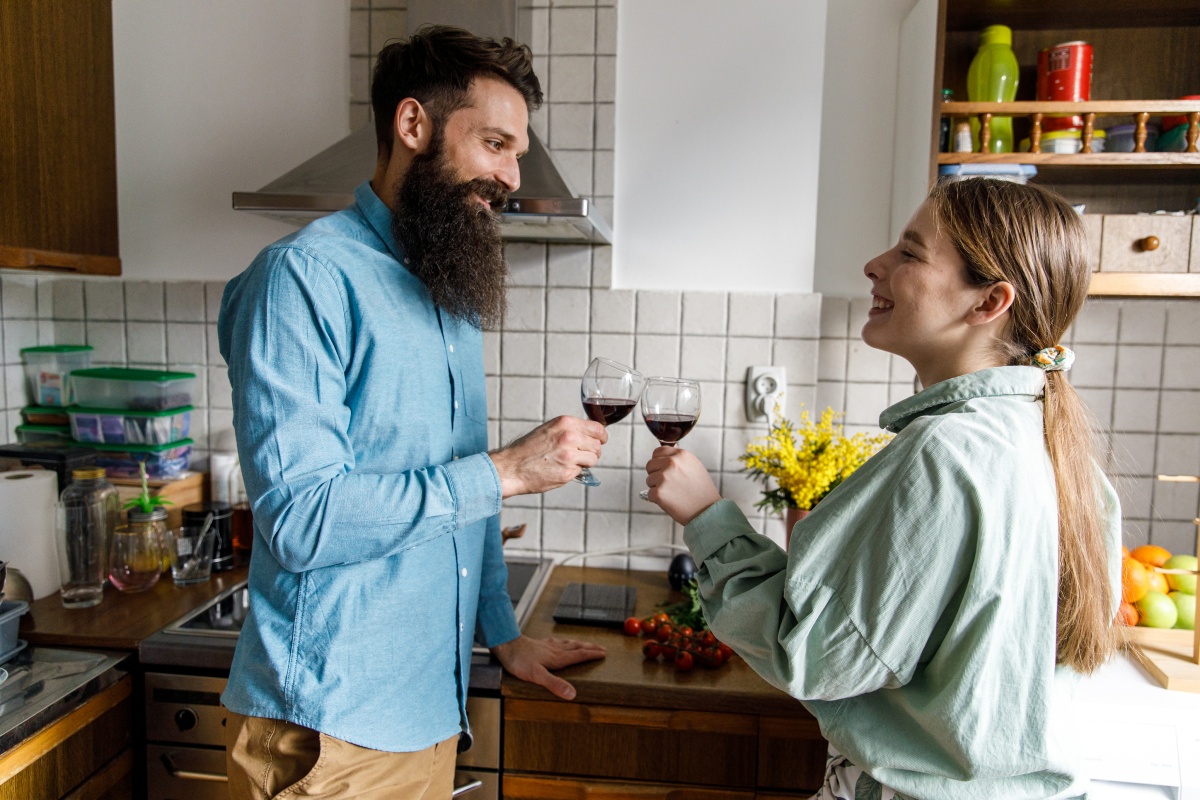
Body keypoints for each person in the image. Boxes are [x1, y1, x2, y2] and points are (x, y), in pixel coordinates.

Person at [217, 26, 607, 800]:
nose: (510, 174)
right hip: (332, 733)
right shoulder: (302, 279)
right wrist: (503, 470)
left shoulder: (446, 282)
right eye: (495, 143)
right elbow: (300, 521)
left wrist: (503, 632)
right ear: (412, 126)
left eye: (518, 154)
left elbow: (468, 508)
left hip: (428, 714)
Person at [644, 178, 1122, 800]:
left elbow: (813, 654)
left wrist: (707, 515)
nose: (875, 266)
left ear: (988, 302)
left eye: (910, 253)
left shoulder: (944, 452)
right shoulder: (1062, 450)